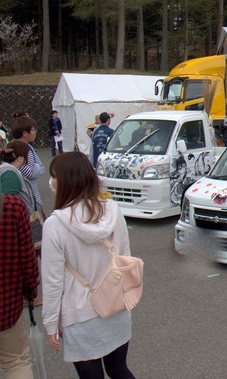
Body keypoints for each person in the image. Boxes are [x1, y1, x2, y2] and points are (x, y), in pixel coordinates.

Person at [42, 152, 136, 379]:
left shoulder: (55, 224)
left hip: (80, 314)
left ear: (64, 181)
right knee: (119, 369)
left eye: (53, 176)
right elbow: (126, 259)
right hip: (116, 306)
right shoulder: (113, 210)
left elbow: (53, 280)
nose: (51, 182)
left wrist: (51, 322)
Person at [0, 192, 40, 378]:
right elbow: (28, 259)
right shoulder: (12, 204)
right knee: (16, 362)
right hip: (6, 305)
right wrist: (30, 291)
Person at [11, 116, 45, 233]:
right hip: (29, 198)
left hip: (26, 197)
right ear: (25, 133)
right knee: (34, 233)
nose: (35, 132)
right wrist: (39, 166)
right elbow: (33, 173)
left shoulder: (14, 145)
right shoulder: (24, 149)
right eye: (33, 130)